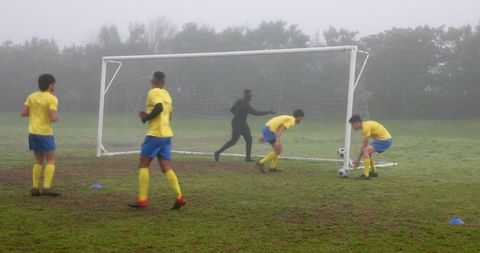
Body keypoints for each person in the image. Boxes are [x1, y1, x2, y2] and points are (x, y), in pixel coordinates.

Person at [128, 71, 185, 209]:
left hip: (155, 135)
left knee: (143, 165)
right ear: (164, 81)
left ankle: (142, 199)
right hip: (166, 135)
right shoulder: (167, 94)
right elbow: (169, 115)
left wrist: (146, 118)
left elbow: (158, 108)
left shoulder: (153, 92)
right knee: (166, 167)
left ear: (154, 80)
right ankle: (179, 197)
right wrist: (148, 115)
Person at [20, 74, 60, 196]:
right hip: (45, 133)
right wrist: (55, 117)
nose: (55, 86)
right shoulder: (52, 98)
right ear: (50, 85)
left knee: (38, 160)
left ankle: (35, 188)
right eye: (54, 83)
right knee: (51, 160)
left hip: (32, 132)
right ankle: (47, 188)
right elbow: (53, 118)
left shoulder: (31, 96)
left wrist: (35, 114)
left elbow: (23, 113)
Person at [214, 89, 274, 162]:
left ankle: (247, 158)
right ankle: (218, 152)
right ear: (245, 95)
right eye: (250, 96)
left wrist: (238, 115)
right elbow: (256, 113)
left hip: (241, 123)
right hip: (237, 124)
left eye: (251, 95)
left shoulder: (239, 101)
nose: (251, 97)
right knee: (233, 141)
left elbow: (231, 110)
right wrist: (268, 112)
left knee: (249, 140)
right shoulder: (246, 104)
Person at [349, 115, 393, 180]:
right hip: (382, 140)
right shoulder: (365, 125)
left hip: (384, 140)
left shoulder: (365, 127)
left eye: (353, 125)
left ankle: (366, 175)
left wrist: (357, 160)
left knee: (365, 151)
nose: (352, 127)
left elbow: (365, 145)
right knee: (367, 152)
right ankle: (373, 172)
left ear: (357, 122)